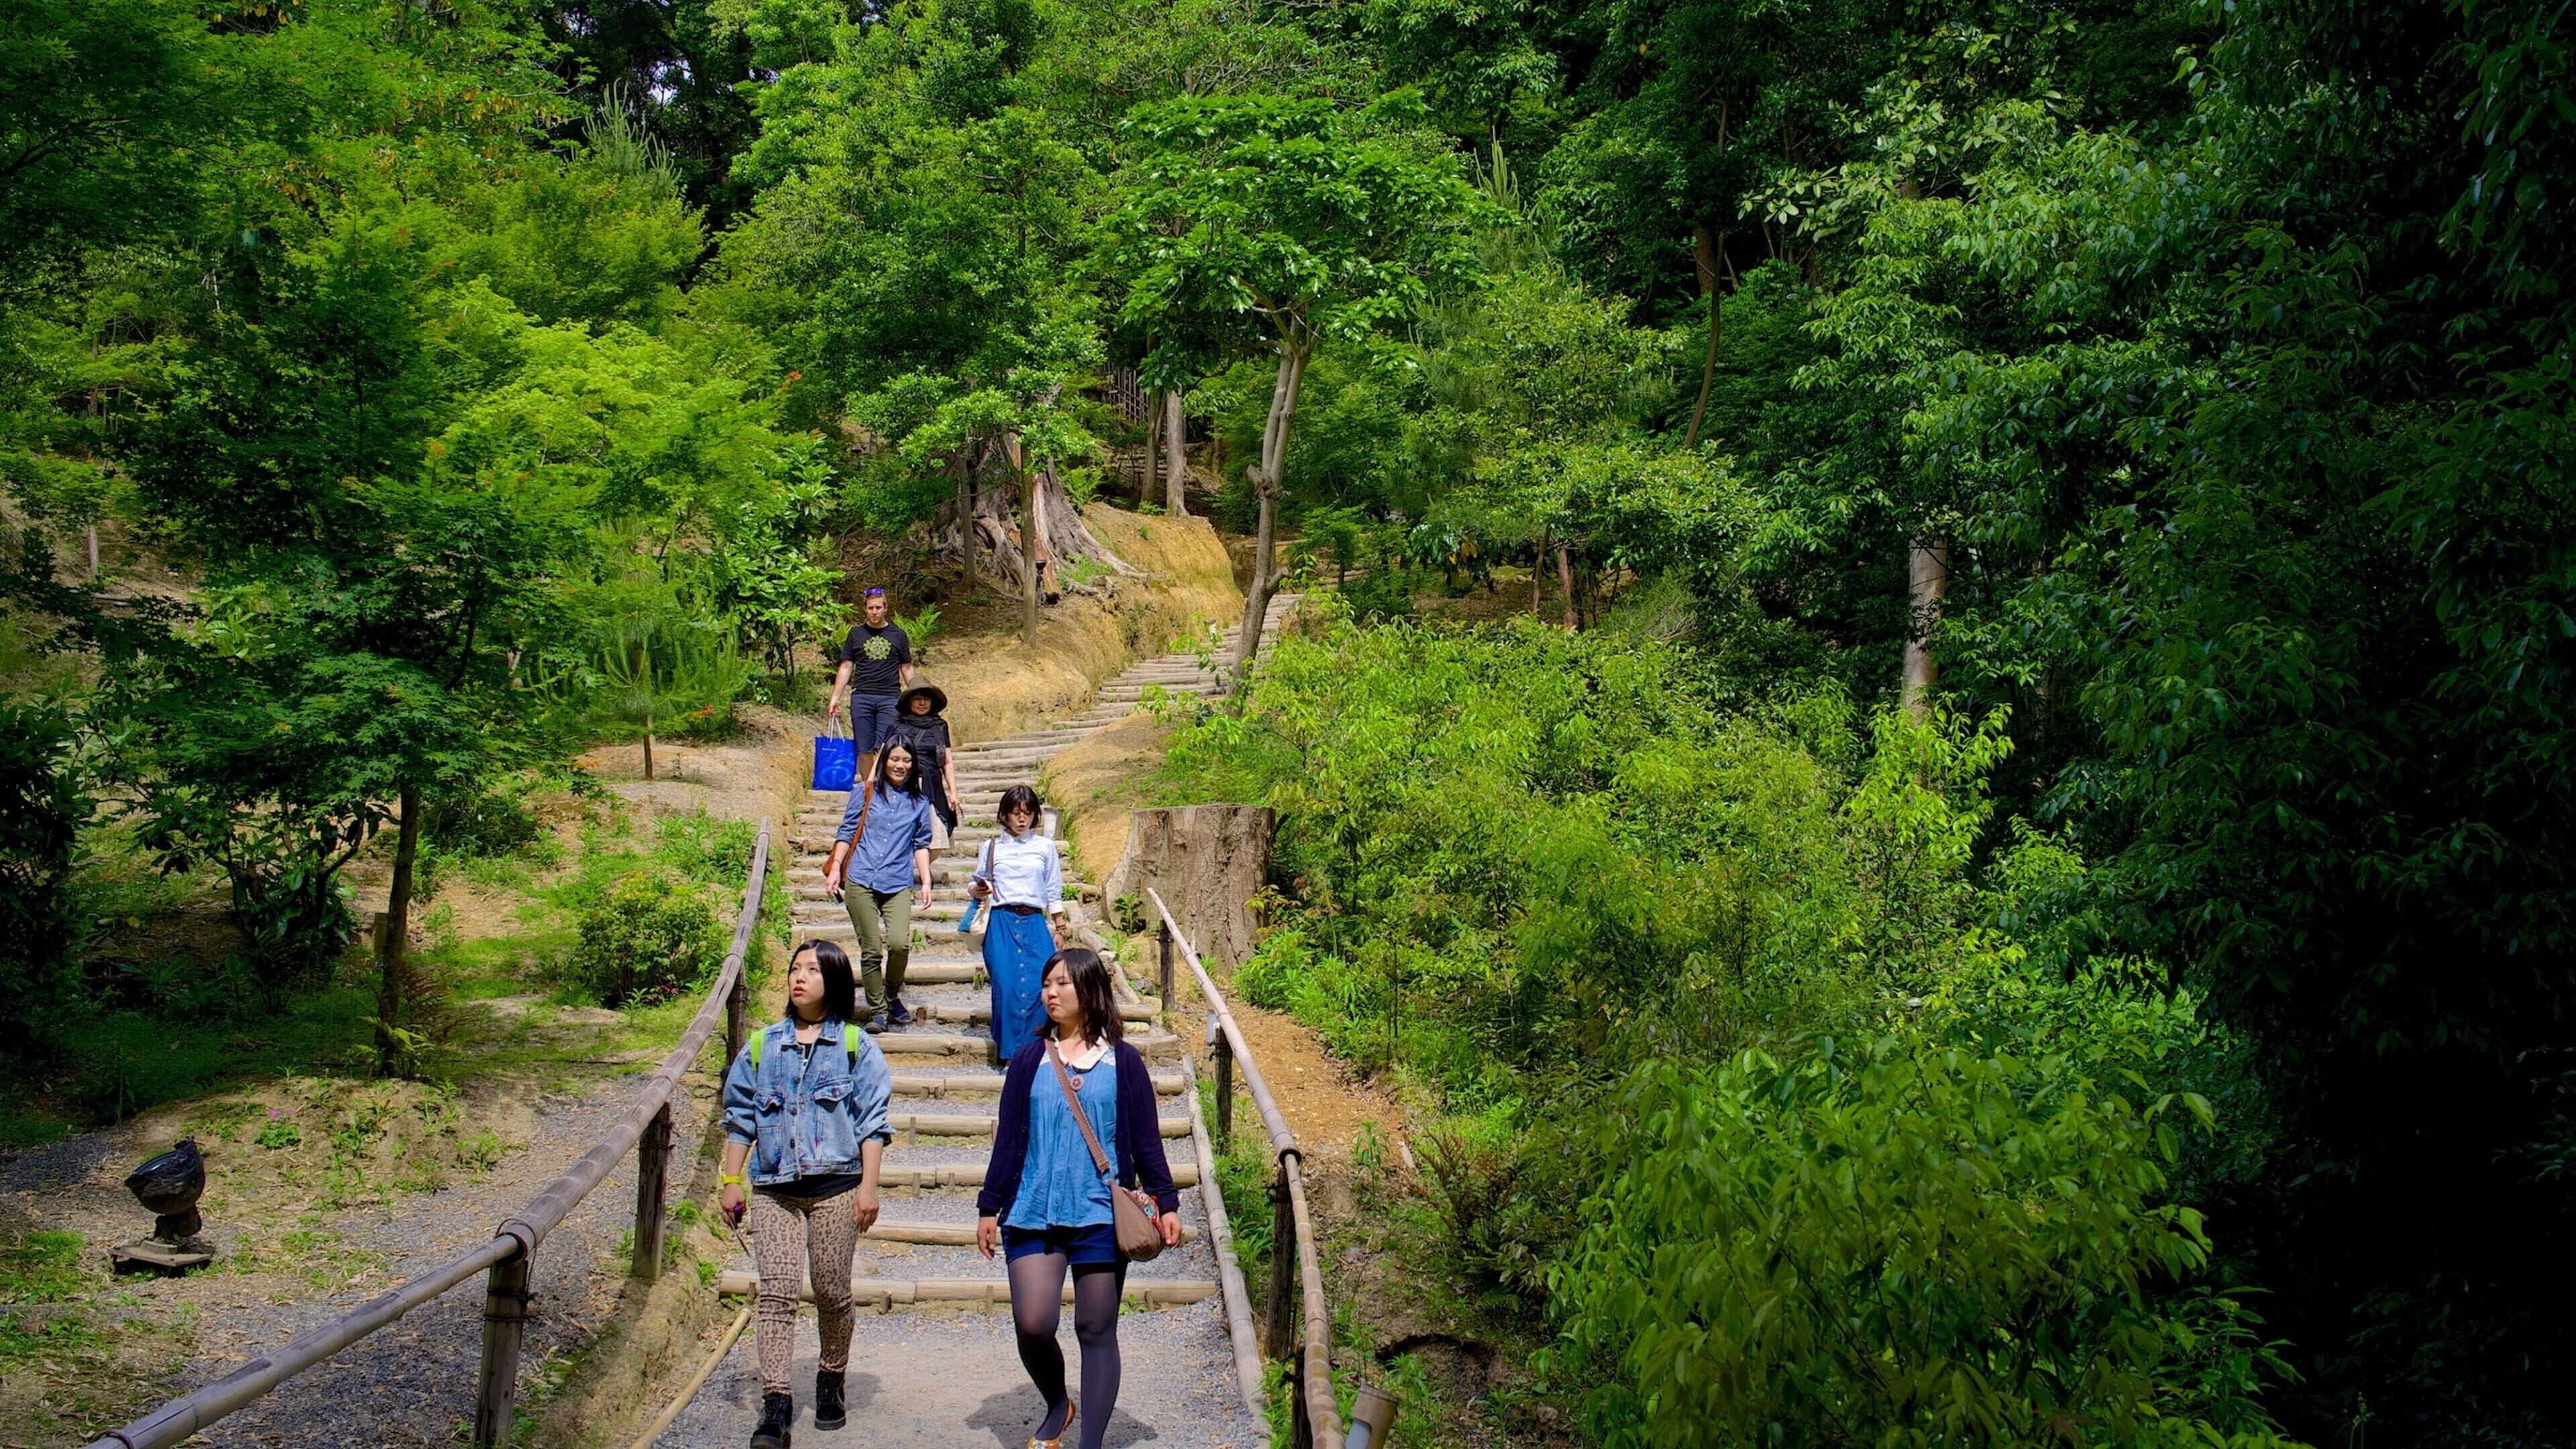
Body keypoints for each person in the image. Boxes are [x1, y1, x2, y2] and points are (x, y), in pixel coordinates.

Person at [975, 949, 1183, 1449]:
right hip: (1033, 1208)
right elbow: (1009, 1138)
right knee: (1033, 1322)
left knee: (1096, 1327)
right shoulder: (1029, 1058)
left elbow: (1146, 1139)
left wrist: (1167, 1200)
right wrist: (989, 1204)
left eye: (1064, 983)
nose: (1051, 992)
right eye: (1048, 984)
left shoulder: (1123, 1061)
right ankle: (1056, 1402)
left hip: (1099, 1212)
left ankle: (1091, 1443)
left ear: (1090, 992)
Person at [719, 939, 892, 1449]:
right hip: (774, 1188)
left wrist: (869, 1187)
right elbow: (740, 1118)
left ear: (834, 980)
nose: (800, 978)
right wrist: (732, 1182)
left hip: (838, 1186)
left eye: (813, 970)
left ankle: (831, 1377)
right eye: (796, 969)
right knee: (775, 1293)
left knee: (833, 1291)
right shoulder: (761, 1046)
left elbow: (874, 1125)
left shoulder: (858, 1047)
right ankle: (776, 1403)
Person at [824, 741, 936, 1030]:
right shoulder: (865, 792)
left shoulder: (920, 802)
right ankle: (877, 1011)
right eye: (895, 759)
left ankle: (890, 993)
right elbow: (847, 831)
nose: (900, 765)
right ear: (885, 761)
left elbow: (921, 843)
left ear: (913, 765)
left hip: (897, 880)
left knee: (899, 943)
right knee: (872, 948)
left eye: (907, 760)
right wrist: (836, 867)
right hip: (861, 877)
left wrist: (925, 880)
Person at [969, 784, 1064, 1061]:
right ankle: (1011, 1053)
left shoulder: (1045, 847)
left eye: (1027, 813)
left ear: (1035, 815)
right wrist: (977, 890)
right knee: (1006, 986)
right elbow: (974, 884)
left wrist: (1059, 927)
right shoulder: (991, 847)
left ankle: (1035, 1051)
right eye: (1015, 813)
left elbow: (1053, 889)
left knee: (1040, 985)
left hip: (1034, 921)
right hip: (1001, 922)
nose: (1021, 819)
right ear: (1005, 815)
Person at [826, 586, 916, 780]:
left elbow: (907, 668)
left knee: (886, 746)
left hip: (890, 697)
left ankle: (884, 786)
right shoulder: (856, 634)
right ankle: (869, 789)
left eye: (878, 607)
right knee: (864, 749)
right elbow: (846, 666)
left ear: (885, 608)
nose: (874, 612)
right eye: (870, 608)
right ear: (865, 609)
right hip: (862, 696)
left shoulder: (897, 635)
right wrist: (835, 698)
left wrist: (918, 694)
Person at [885, 684, 961, 846]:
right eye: (918, 699)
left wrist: (953, 792)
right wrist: (871, 782)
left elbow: (947, 762)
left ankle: (920, 868)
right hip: (902, 783)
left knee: (937, 835)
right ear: (909, 702)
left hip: (931, 783)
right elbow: (883, 757)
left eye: (926, 699)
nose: (922, 703)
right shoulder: (897, 726)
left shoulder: (939, 726)